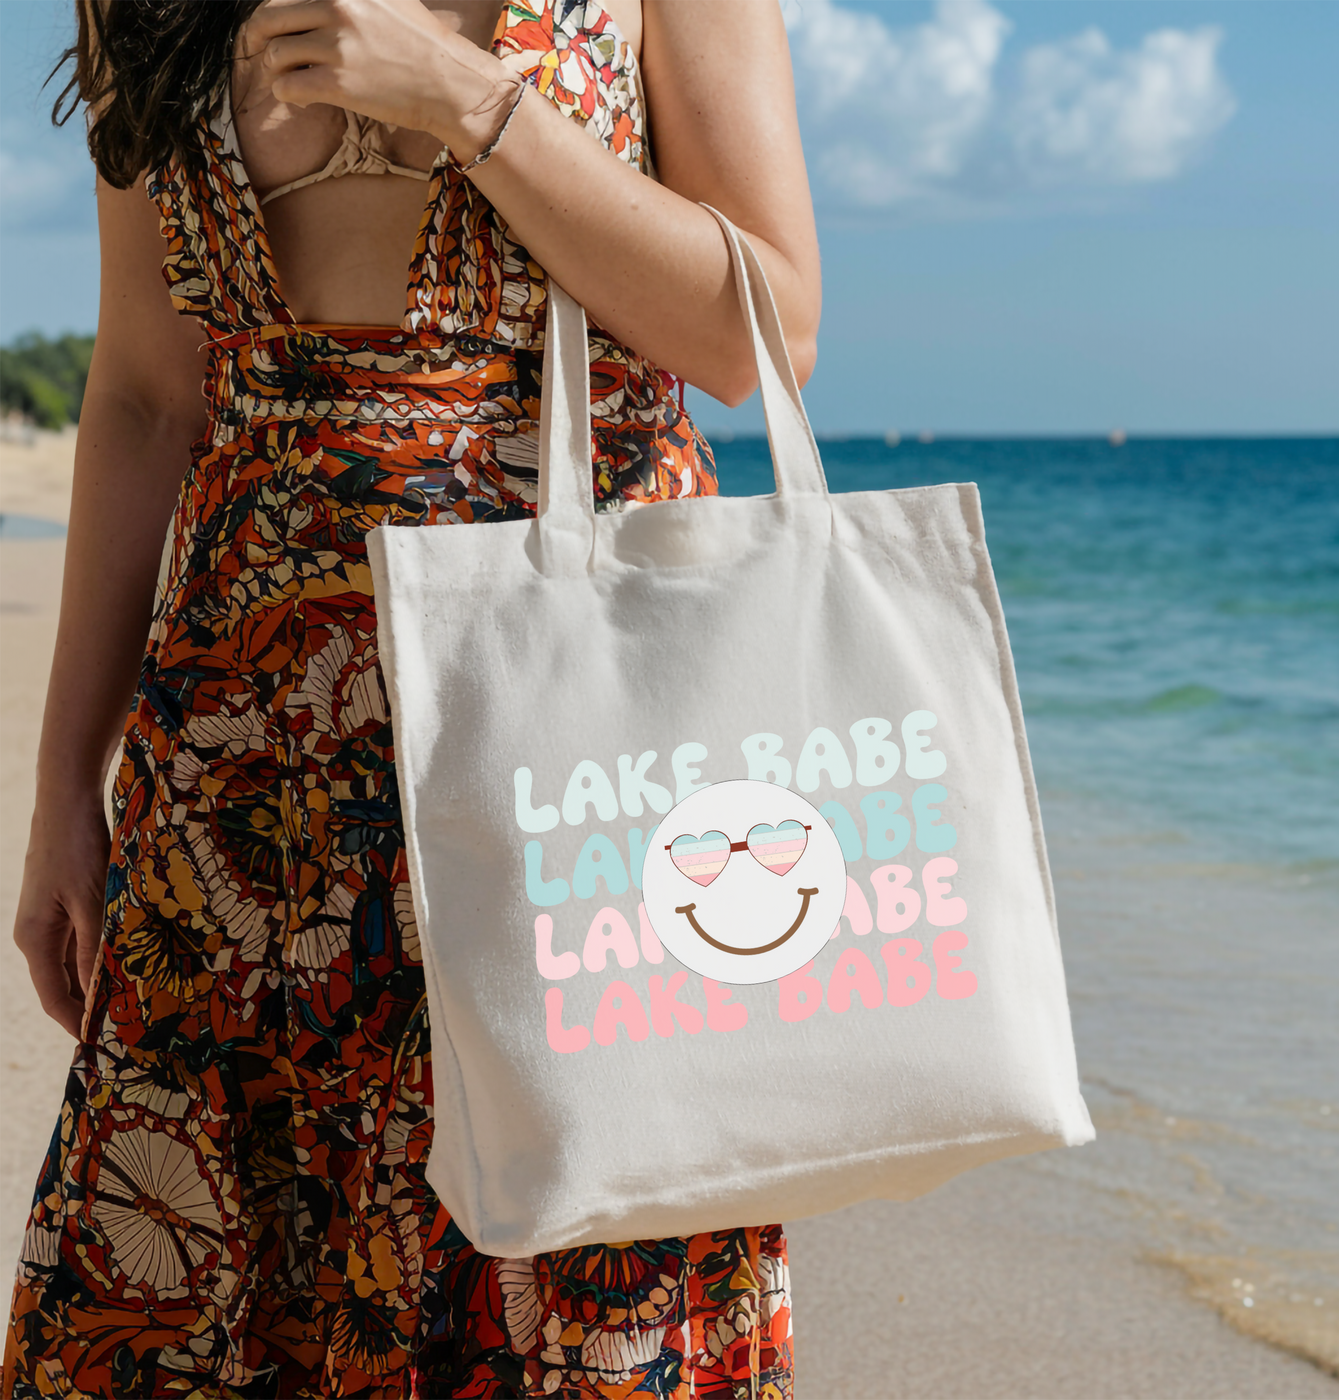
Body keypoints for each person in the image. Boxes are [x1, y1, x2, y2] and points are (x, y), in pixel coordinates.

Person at [3, 0, 821, 1394]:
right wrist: (62, 788)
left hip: (579, 750)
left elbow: (763, 334)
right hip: (243, 775)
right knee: (199, 1294)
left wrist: (471, 100)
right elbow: (146, 395)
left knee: (569, 1277)